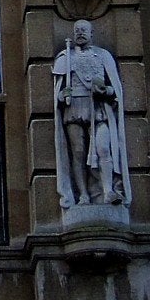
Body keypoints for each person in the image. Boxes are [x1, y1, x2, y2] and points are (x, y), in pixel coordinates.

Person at [52, 19, 130, 209]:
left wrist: (107, 91)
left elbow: (115, 89)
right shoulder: (65, 57)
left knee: (103, 148)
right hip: (75, 108)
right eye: (77, 30)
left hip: (98, 108)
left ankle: (107, 191)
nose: (80, 33)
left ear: (91, 33)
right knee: (78, 153)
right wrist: (63, 95)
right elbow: (59, 93)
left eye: (84, 30)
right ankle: (83, 195)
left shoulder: (103, 56)